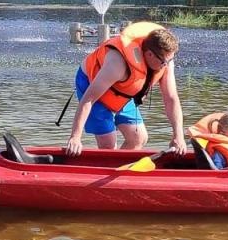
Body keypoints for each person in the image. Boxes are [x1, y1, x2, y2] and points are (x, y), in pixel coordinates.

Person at [64, 20, 186, 157]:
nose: (167, 65)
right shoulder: (118, 64)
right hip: (90, 83)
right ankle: (105, 167)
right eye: (164, 62)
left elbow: (171, 98)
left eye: (170, 61)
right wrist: (75, 137)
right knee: (108, 144)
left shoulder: (165, 61)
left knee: (138, 138)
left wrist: (178, 136)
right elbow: (88, 99)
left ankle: (117, 171)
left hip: (122, 91)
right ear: (150, 54)